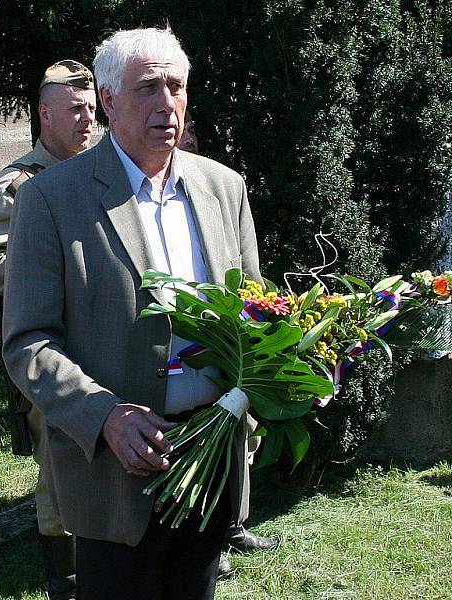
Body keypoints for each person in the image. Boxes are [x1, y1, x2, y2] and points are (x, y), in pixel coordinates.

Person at [2, 28, 261, 600]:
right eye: (148, 88)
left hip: (212, 455)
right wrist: (105, 417)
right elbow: (28, 342)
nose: (166, 104)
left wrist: (290, 366)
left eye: (176, 86)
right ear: (109, 98)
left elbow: (253, 312)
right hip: (117, 474)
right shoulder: (53, 199)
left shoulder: (224, 188)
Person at [0, 60, 96, 599]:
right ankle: (64, 573)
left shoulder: (106, 172)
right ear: (45, 114)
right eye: (75, 109)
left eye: (92, 107)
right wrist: (57, 267)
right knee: (58, 456)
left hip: (108, 338)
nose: (87, 119)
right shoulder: (19, 185)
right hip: (50, 342)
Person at [177, 109, 280, 577]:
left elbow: (251, 283)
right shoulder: (50, 189)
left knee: (236, 441)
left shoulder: (224, 186)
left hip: (222, 355)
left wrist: (260, 339)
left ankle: (224, 530)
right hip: (166, 364)